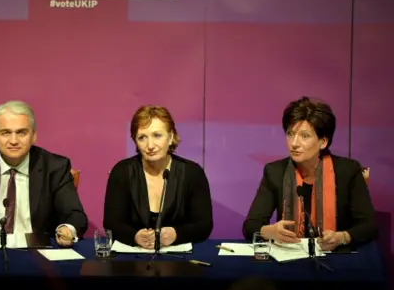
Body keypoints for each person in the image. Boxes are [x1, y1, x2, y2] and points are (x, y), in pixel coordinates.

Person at [242, 97, 378, 251]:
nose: (294, 143)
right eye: (290, 134)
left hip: (335, 258)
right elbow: (250, 225)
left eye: (304, 136)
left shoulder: (347, 171)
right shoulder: (275, 172)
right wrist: (269, 232)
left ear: (323, 142)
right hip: (289, 258)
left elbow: (369, 226)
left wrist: (342, 237)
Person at [0, 100, 88, 247]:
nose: (14, 141)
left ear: (33, 136)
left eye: (21, 132)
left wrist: (68, 229)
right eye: (5, 132)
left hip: (41, 255)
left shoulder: (55, 168)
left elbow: (75, 216)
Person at [103, 105, 213, 248]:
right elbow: (111, 223)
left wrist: (176, 234)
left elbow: (204, 225)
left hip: (181, 263)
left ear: (171, 136)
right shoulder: (122, 171)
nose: (150, 145)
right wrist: (135, 237)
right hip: (132, 261)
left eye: (157, 135)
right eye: (142, 137)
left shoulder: (192, 173)